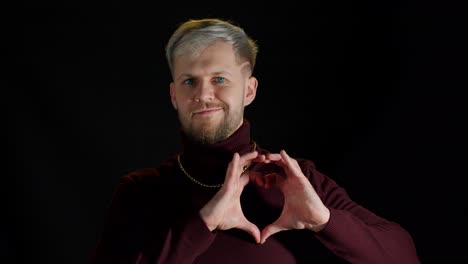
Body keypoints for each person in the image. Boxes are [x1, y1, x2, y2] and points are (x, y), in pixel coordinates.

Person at [89, 18, 420, 263]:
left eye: (219, 78)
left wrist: (323, 220)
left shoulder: (296, 179)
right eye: (190, 81)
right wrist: (203, 224)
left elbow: (403, 256)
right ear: (174, 95)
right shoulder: (141, 190)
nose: (203, 94)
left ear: (249, 90)